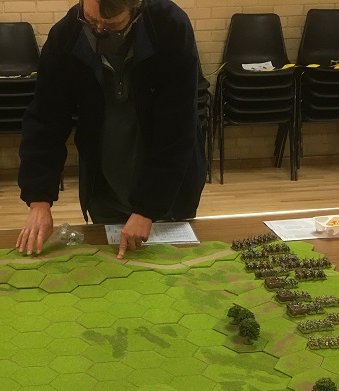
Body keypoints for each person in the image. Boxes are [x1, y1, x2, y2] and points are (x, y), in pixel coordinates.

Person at [16, 0, 207, 260]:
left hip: (168, 189)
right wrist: (39, 199)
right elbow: (46, 118)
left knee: (170, 269)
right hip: (105, 188)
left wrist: (147, 208)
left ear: (137, 8)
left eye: (112, 25)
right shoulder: (66, 35)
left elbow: (177, 125)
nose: (98, 30)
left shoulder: (170, 26)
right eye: (91, 20)